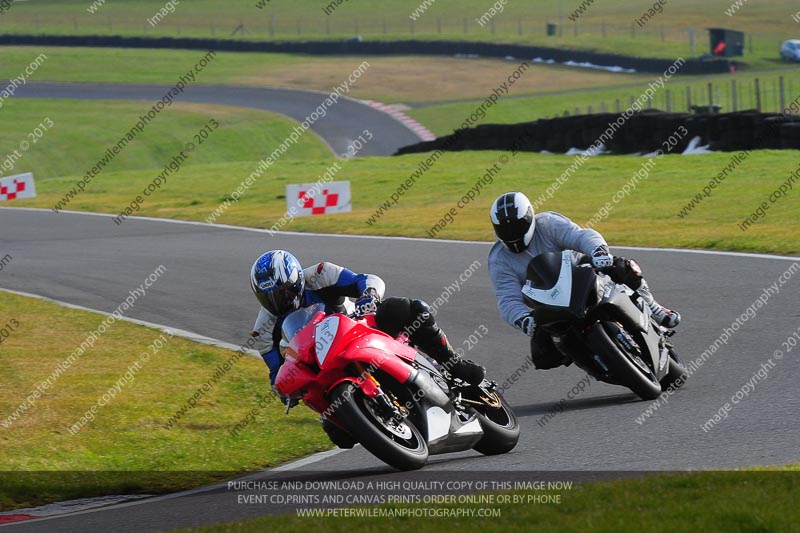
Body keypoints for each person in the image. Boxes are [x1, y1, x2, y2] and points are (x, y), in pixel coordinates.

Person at [249, 250, 486, 406]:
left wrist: (368, 296)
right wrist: (285, 391)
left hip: (357, 329)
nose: (276, 302)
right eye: (267, 297)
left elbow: (365, 280)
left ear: (296, 280)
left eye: (281, 293)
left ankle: (453, 363)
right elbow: (276, 370)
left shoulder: (320, 274)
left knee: (408, 309)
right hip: (322, 367)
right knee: (337, 434)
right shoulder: (263, 329)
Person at [487, 192, 681, 370]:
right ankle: (592, 360)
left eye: (516, 225)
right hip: (549, 304)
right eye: (505, 228)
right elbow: (507, 299)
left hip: (579, 273)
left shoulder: (547, 223)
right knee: (542, 354)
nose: (512, 233)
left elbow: (581, 236)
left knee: (623, 267)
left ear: (529, 217)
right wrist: (523, 319)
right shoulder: (499, 259)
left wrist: (598, 251)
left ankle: (654, 307)